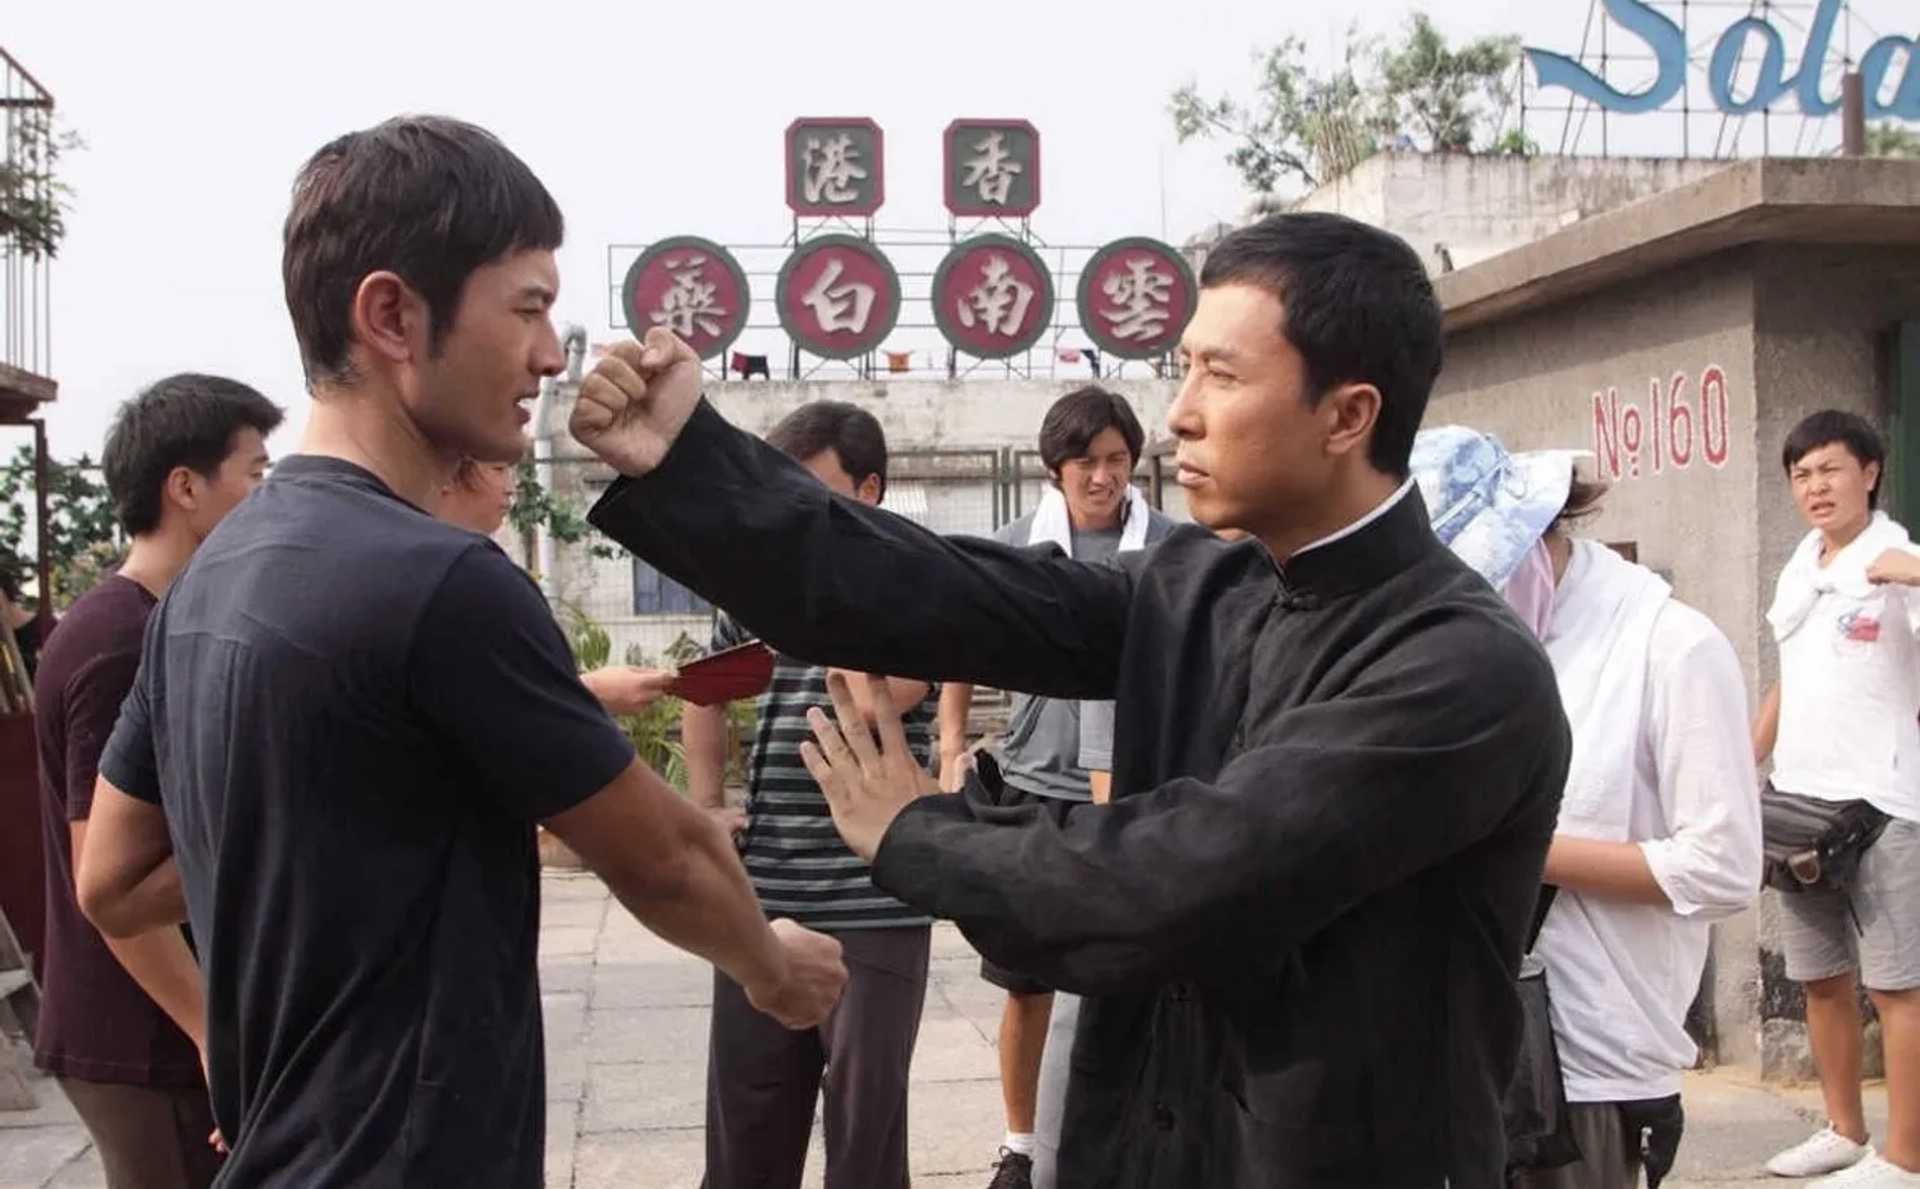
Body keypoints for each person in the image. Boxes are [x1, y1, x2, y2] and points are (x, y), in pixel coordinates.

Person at [573, 211, 1575, 1187]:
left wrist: (921, 833)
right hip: (1143, 1144)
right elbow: (937, 588)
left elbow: (1191, 874)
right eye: (1184, 367)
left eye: (1221, 375)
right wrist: (691, 461)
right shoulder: (1201, 588)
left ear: (1347, 415)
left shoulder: (1459, 669)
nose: (1178, 412)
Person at [71, 115, 846, 1189]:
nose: (547, 351)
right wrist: (771, 966)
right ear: (392, 315)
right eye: (526, 306)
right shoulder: (439, 581)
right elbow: (662, 855)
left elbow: (110, 882)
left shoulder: (211, 576)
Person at [1410, 426, 1763, 1189]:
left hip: (1589, 1071)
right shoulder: (1467, 647)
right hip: (1458, 1039)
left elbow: (1726, 866)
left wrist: (1516, 847)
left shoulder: (1669, 646)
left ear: (1539, 535)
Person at [34, 374, 282, 1189]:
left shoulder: (162, 620)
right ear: (186, 487)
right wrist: (210, 1031)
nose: (266, 493)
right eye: (254, 472)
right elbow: (103, 874)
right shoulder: (117, 641)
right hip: (141, 1032)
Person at [683, 401, 937, 1189]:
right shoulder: (756, 588)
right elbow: (702, 690)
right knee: (748, 1120)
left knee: (863, 1130)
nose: (788, 508)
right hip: (767, 894)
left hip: (876, 894)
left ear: (869, 490)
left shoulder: (916, 584)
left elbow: (885, 696)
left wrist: (835, 592)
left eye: (811, 489)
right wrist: (705, 805)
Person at [934, 385, 1176, 1189]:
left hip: (1135, 789)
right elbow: (963, 641)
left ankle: (1128, 1126)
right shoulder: (1016, 545)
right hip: (1036, 784)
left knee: (1127, 973)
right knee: (1027, 979)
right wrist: (949, 742)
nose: (1104, 477)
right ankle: (1021, 1137)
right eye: (1087, 462)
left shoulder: (1171, 550)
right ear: (1054, 469)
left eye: (1117, 460)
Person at [1754, 410, 1920, 1188]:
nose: (1815, 487)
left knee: (1898, 986)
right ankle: (1844, 1130)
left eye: (1830, 468)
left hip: (1884, 803)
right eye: (1801, 474)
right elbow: (1794, 676)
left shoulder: (1898, 557)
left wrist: (1911, 573)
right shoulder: (1802, 565)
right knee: (1821, 978)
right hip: (1799, 803)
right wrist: (1743, 758)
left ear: (1870, 471)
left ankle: (1906, 1155)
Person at [434, 456, 677, 715]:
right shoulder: (459, 577)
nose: (510, 487)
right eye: (498, 469)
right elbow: (470, 699)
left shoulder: (453, 565)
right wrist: (589, 691)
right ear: (448, 475)